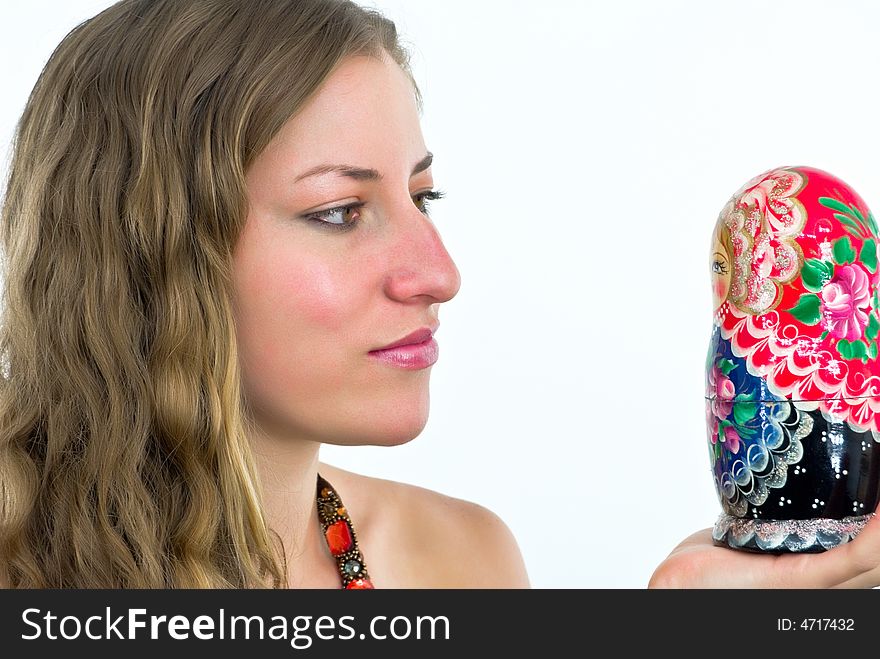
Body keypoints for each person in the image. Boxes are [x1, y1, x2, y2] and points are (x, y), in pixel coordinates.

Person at [0, 0, 530, 589]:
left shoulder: (462, 564)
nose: (439, 276)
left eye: (422, 197)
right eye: (338, 213)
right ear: (148, 250)